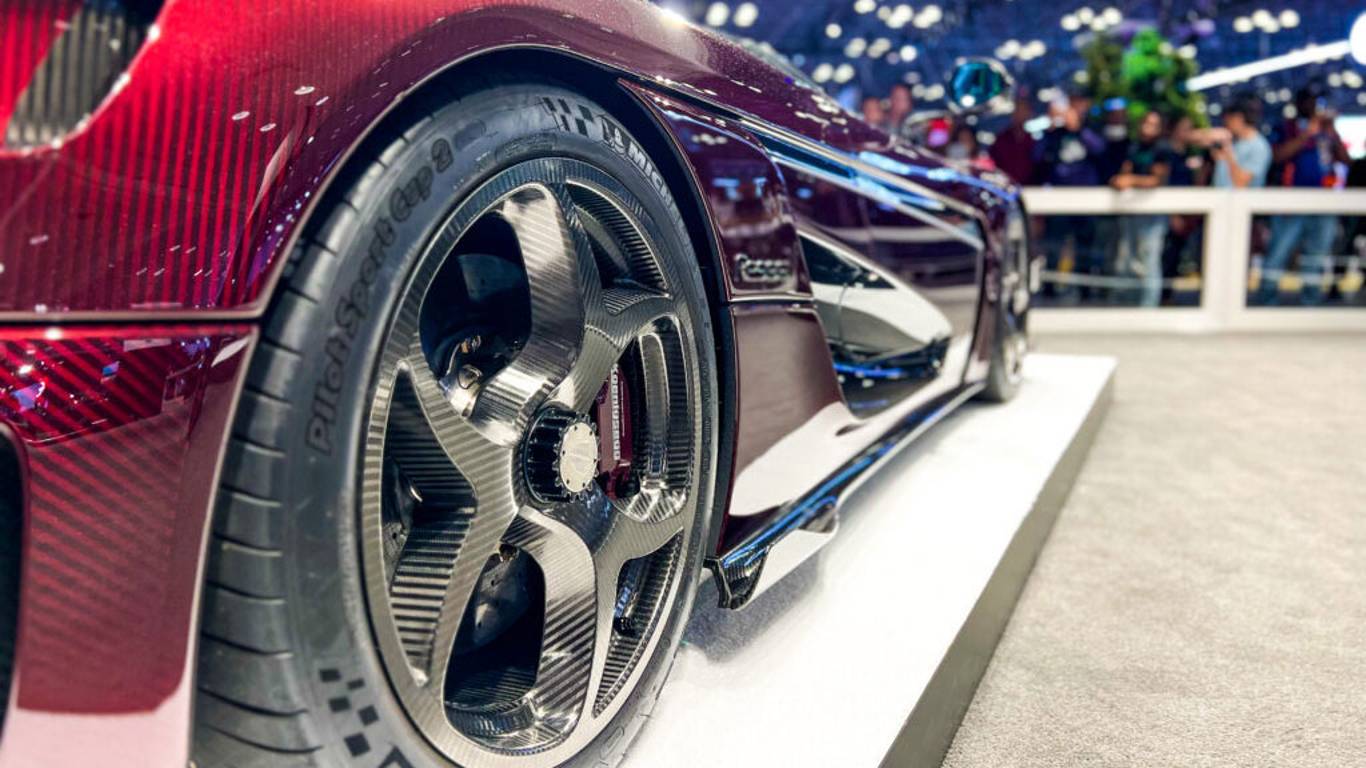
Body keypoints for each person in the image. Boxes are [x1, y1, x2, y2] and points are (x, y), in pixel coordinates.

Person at [1258, 87, 1350, 304]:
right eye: (1308, 102)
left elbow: (1346, 160)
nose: (1313, 107)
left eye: (1316, 103)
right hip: (1291, 202)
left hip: (1324, 202)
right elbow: (1277, 156)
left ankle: (1311, 302)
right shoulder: (1287, 127)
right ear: (1298, 104)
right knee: (1279, 252)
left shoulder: (1327, 131)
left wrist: (1332, 132)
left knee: (1316, 256)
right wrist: (1307, 133)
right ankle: (1266, 300)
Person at [1034, 98, 1105, 301]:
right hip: (1058, 200)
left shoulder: (1089, 130)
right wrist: (1050, 130)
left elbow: (1100, 150)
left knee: (1085, 246)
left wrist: (1078, 130)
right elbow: (1037, 156)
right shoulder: (1052, 135)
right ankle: (1049, 288)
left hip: (1086, 200)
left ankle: (1085, 289)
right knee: (1054, 245)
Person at [1110, 110, 1172, 307]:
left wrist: (1131, 180)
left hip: (1153, 212)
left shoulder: (1162, 149)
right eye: (1145, 123)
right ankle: (1128, 304)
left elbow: (1157, 180)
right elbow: (1126, 170)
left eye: (1153, 125)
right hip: (1131, 209)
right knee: (1127, 258)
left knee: (1149, 258)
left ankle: (1148, 306)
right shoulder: (1134, 146)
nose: (1147, 128)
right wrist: (1122, 179)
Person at [1207, 102, 1271, 189]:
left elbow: (1240, 183)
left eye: (1228, 120)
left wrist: (1228, 154)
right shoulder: (1234, 142)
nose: (1226, 124)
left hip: (1243, 198)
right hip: (1220, 196)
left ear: (1238, 118)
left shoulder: (1259, 147)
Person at [990, 98, 1037, 184]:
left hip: (1029, 186)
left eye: (1024, 111)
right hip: (1005, 185)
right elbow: (994, 164)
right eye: (1018, 111)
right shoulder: (1001, 139)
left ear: (1029, 114)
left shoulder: (1032, 140)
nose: (1020, 115)